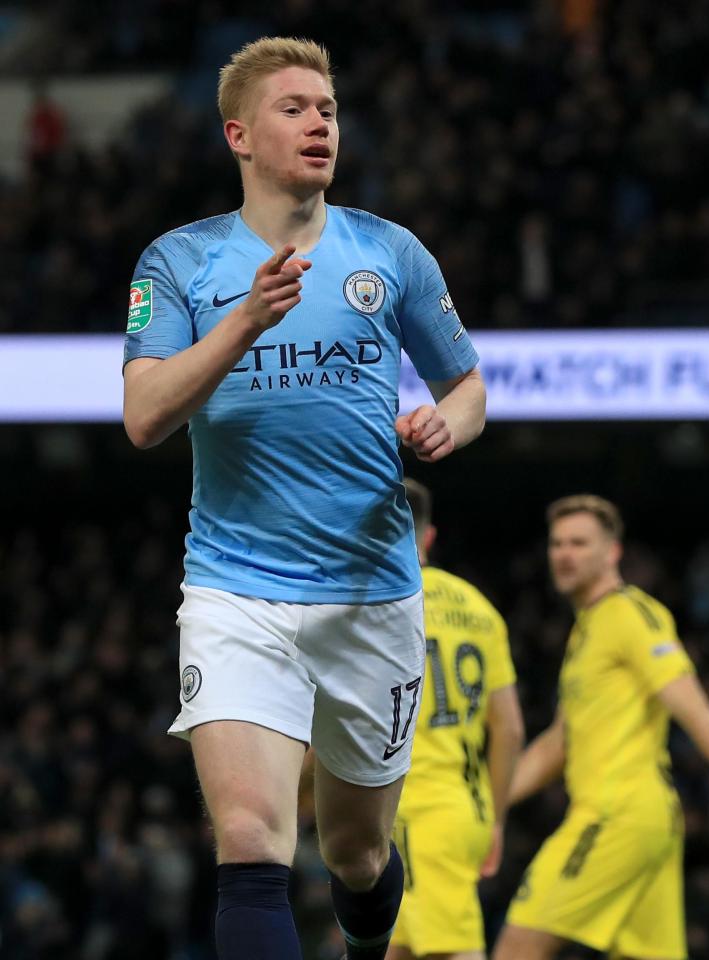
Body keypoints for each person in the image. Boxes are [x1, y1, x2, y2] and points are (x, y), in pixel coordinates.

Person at [122, 37, 486, 960]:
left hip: (372, 591)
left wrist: (449, 424)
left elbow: (468, 388)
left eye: (327, 107)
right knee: (250, 842)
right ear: (240, 134)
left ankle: (367, 942)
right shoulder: (179, 262)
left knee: (357, 854)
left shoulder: (387, 251)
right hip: (235, 589)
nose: (320, 122)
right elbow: (145, 416)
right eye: (295, 108)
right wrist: (244, 318)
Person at [494, 495, 709, 960]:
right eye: (557, 544)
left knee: (518, 947)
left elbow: (695, 708)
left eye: (579, 543)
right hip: (642, 822)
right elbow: (560, 741)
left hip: (616, 815)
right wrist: (490, 800)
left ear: (613, 552)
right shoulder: (587, 629)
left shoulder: (632, 614)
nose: (564, 554)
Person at [386, 478, 525, 960]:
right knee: (390, 948)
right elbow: (509, 729)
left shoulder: (376, 603)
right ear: (428, 537)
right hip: (464, 808)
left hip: (418, 810)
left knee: (453, 950)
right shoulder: (480, 609)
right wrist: (497, 819)